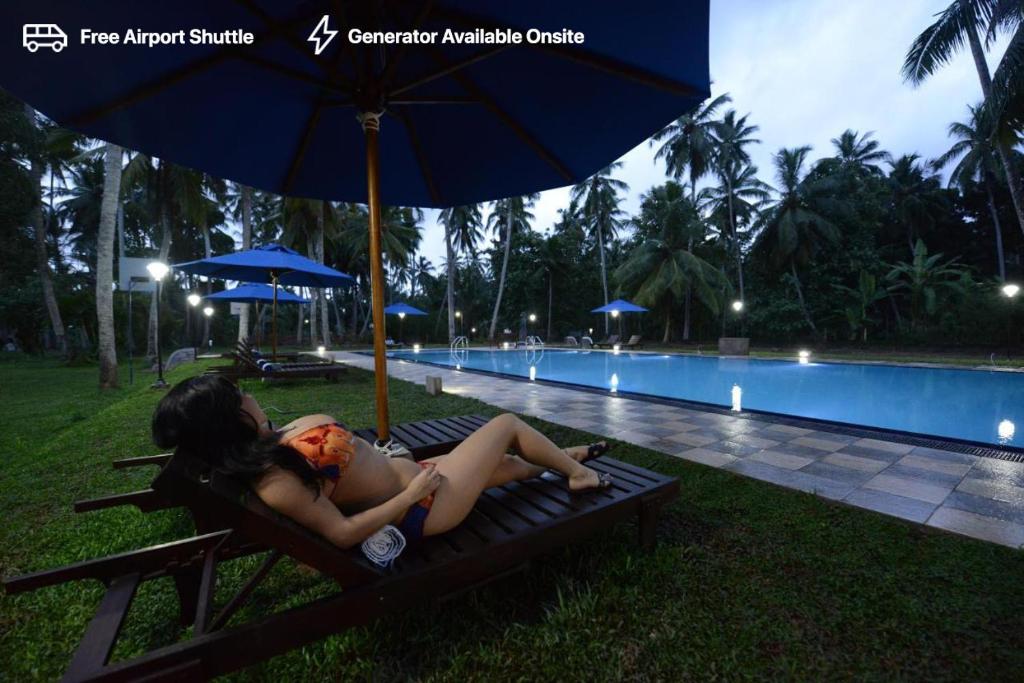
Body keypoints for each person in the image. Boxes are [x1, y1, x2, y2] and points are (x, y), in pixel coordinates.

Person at [152, 375, 612, 549]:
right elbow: (343, 533)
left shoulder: (272, 446)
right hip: (428, 505)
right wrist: (412, 493)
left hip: (423, 480)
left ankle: (557, 460)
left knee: (508, 465)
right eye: (240, 396)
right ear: (229, 420)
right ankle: (579, 473)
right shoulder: (275, 481)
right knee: (507, 423)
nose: (249, 394)